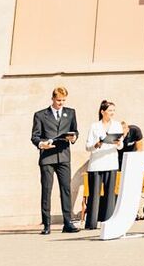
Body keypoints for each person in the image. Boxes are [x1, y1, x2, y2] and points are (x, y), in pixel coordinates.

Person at [31, 87, 79, 235]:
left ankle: (68, 222)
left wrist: (74, 137)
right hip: (47, 157)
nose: (61, 103)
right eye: (58, 100)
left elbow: (75, 131)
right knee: (46, 190)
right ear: (52, 99)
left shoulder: (70, 113)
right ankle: (46, 224)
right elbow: (35, 136)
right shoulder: (40, 115)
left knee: (65, 189)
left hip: (64, 156)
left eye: (63, 100)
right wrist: (41, 144)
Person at [83, 100, 124, 232]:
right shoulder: (94, 126)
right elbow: (88, 146)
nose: (112, 113)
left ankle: (108, 222)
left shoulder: (117, 125)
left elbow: (121, 145)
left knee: (110, 194)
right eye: (110, 110)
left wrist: (118, 143)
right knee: (94, 195)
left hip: (111, 162)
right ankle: (91, 224)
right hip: (96, 164)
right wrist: (96, 145)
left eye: (113, 110)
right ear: (102, 111)